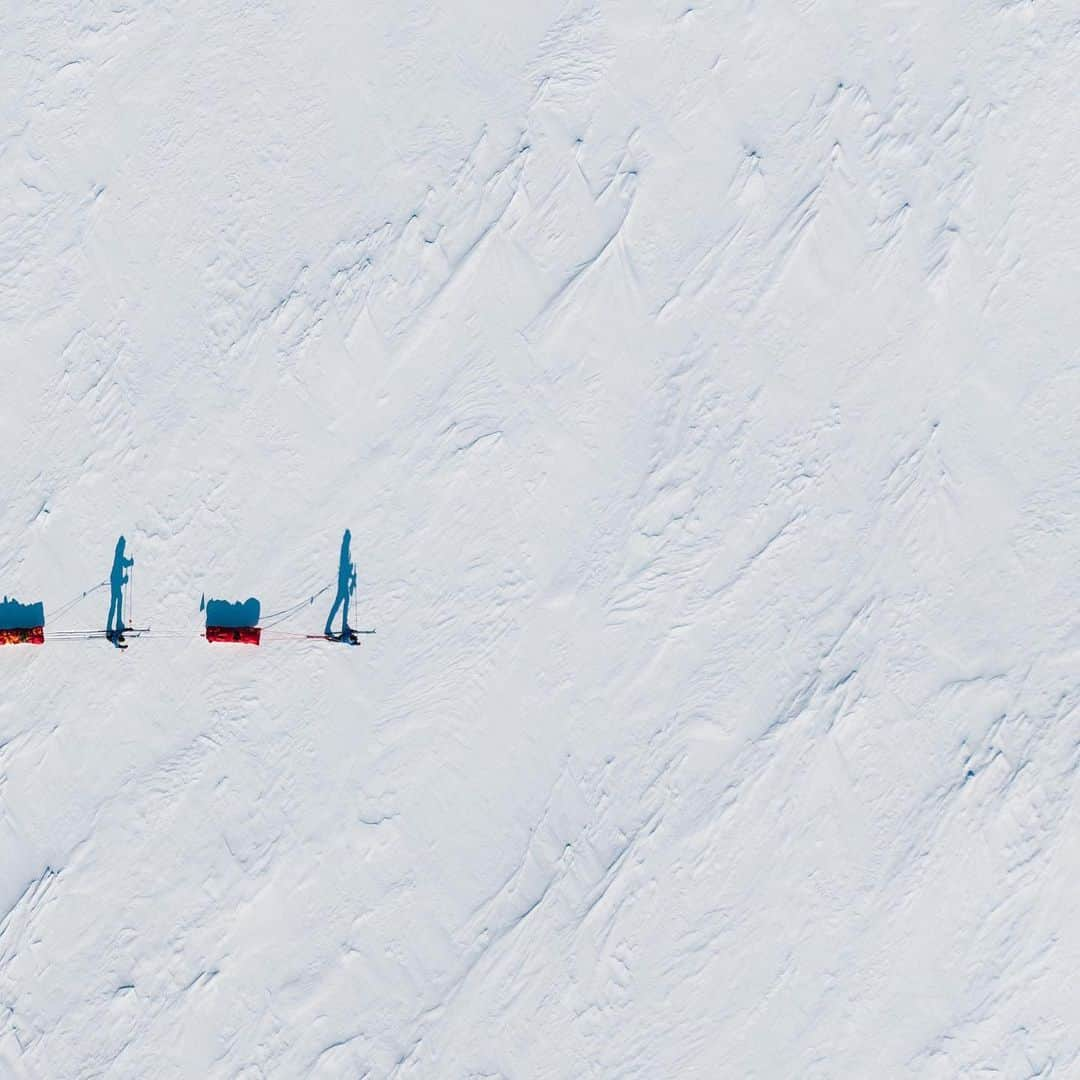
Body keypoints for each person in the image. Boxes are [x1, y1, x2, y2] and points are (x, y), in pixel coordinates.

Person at [325, 529, 356, 640]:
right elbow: (344, 569)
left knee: (341, 603)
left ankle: (341, 626)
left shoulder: (345, 553)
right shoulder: (344, 553)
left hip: (343, 584)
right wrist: (351, 574)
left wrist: (351, 575)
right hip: (343, 584)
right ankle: (331, 628)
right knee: (339, 604)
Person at [107, 536, 134, 644]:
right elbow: (126, 564)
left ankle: (117, 624)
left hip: (115, 585)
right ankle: (116, 625)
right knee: (115, 604)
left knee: (116, 604)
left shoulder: (118, 556)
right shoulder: (119, 557)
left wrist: (123, 580)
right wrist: (124, 580)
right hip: (116, 585)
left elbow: (125, 564)